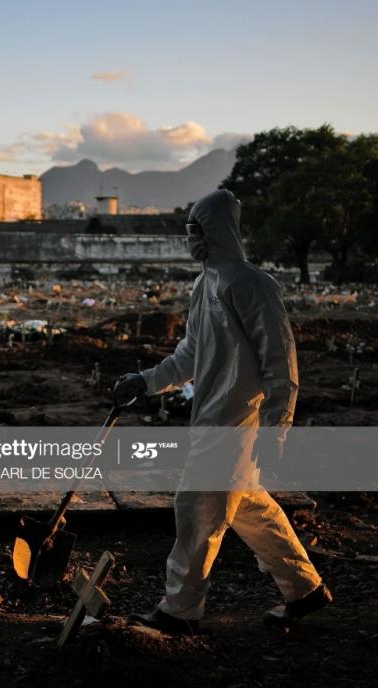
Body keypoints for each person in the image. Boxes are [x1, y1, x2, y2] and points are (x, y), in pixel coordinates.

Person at [113, 188, 331, 635]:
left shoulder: (251, 284)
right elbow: (190, 354)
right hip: (211, 420)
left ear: (217, 231)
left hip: (240, 425)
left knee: (197, 511)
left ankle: (180, 611)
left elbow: (281, 364)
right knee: (250, 510)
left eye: (197, 229)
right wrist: (147, 380)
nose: (191, 237)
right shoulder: (204, 284)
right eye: (188, 229)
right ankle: (305, 590)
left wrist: (277, 431)